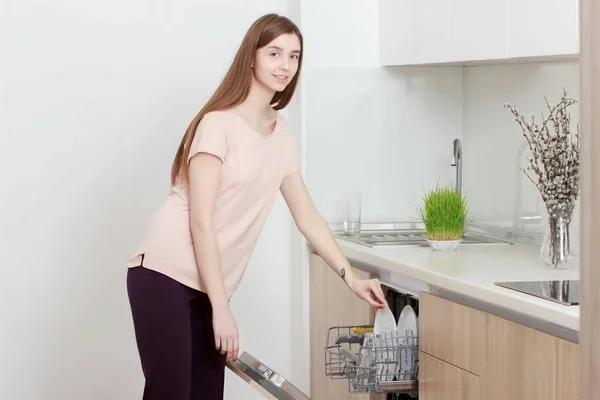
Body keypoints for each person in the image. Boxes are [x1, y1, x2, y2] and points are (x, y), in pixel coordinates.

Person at [126, 13, 387, 400]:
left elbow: (307, 216)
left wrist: (351, 277)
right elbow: (200, 222)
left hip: (209, 284)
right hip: (165, 275)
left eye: (294, 56)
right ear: (252, 57)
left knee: (206, 394)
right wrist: (222, 308)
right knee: (172, 394)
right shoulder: (218, 124)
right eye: (275, 53)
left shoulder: (280, 133)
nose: (285, 65)